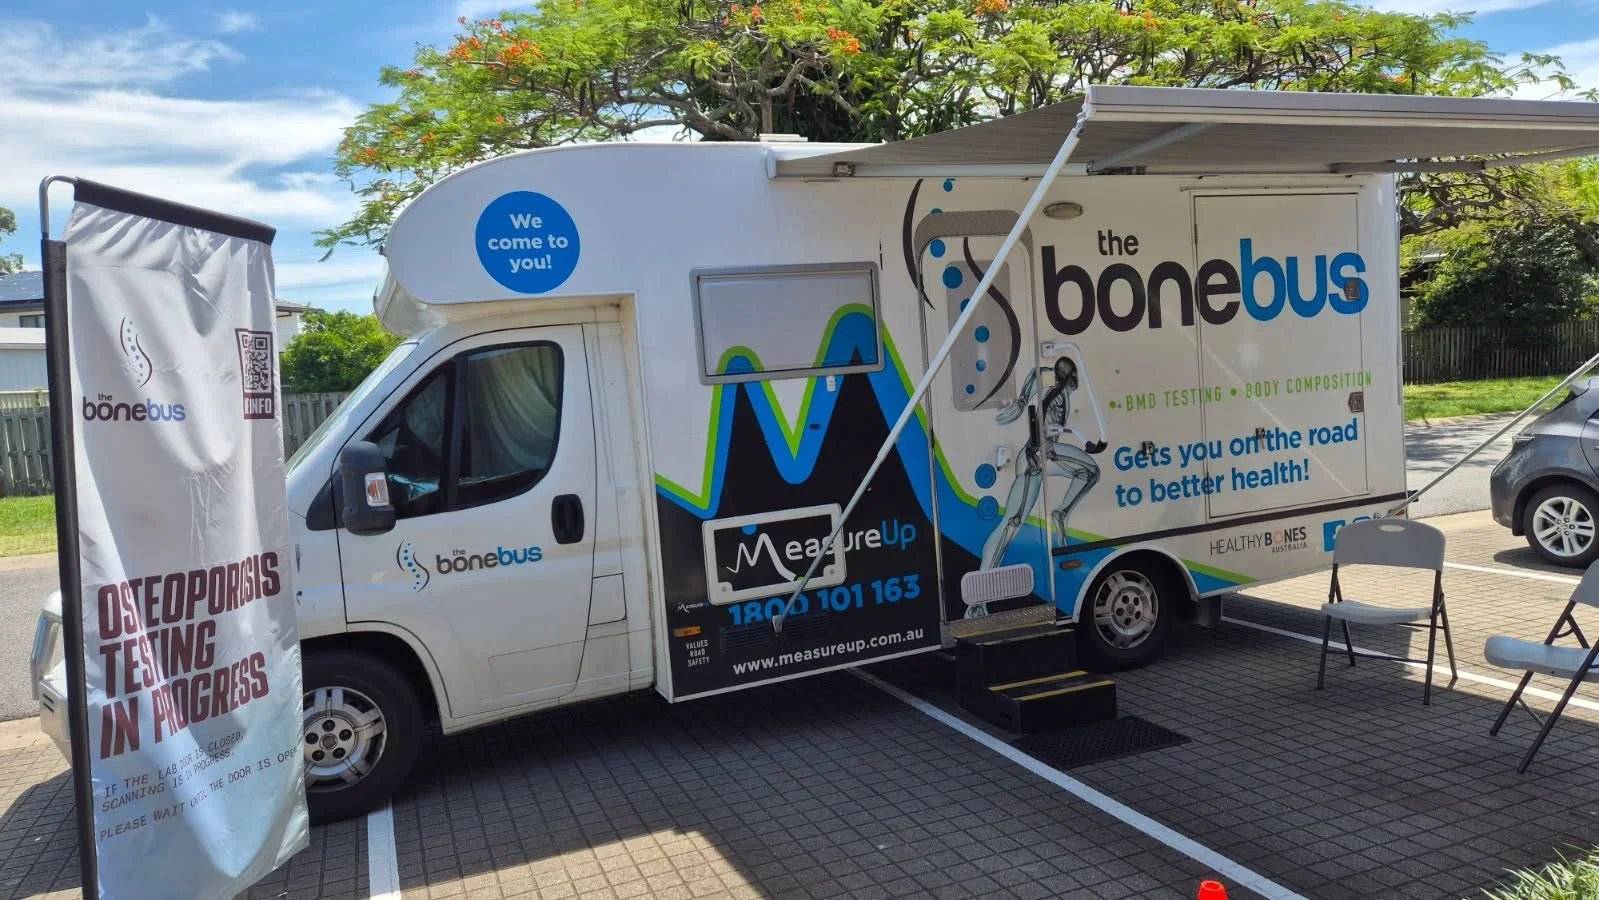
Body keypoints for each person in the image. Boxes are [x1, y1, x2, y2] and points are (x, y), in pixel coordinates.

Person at [969, 353, 1106, 617]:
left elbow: (1035, 374)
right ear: (1071, 378)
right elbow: (1045, 429)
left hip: (1038, 455)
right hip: (1039, 455)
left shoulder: (1052, 384)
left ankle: (1061, 512)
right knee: (1012, 523)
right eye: (1074, 376)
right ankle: (978, 600)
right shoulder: (1057, 396)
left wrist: (1021, 401)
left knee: (1087, 473)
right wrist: (1051, 436)